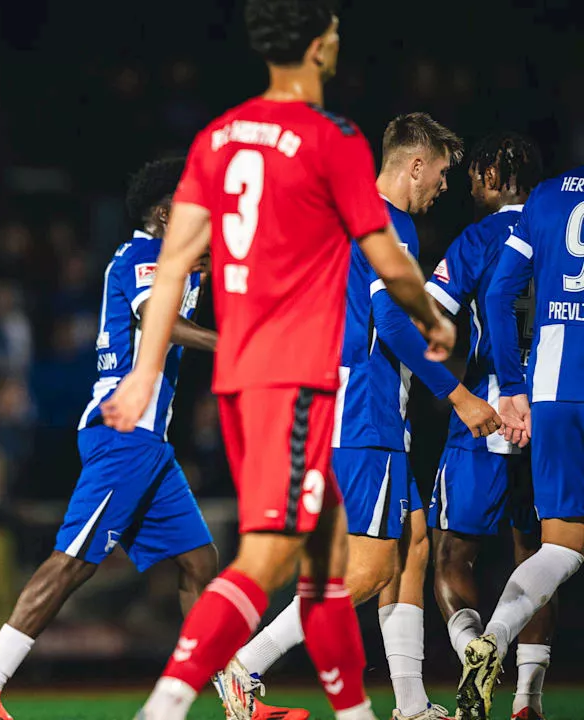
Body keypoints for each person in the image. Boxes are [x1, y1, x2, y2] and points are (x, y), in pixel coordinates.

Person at [99, 1, 456, 718]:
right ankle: (180, 701)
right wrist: (430, 320)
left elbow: (173, 267)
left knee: (331, 559)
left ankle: (373, 709)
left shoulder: (217, 139)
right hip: (304, 378)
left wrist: (144, 373)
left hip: (243, 378)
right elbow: (385, 255)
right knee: (290, 561)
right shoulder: (332, 140)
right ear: (321, 47)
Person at [218, 112, 482, 720]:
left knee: (414, 543)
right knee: (369, 567)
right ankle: (245, 666)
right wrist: (459, 395)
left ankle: (411, 704)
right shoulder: (389, 225)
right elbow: (390, 323)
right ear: (415, 165)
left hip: (336, 398)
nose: (441, 188)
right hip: (363, 408)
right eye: (440, 175)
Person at [0, 158, 220, 720]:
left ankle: (235, 698)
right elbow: (158, 322)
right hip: (124, 433)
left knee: (198, 561)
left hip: (149, 442)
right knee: (73, 562)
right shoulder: (146, 254)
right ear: (166, 212)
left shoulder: (170, 259)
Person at [423, 132, 555, 720]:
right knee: (541, 554)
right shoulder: (561, 230)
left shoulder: (478, 237)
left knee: (452, 553)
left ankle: (472, 652)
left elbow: (430, 318)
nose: (469, 187)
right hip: (553, 411)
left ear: (497, 174)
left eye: (475, 175)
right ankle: (527, 701)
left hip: (489, 413)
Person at [457, 163, 584, 720]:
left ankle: (495, 638)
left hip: (555, 383)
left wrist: (512, 386)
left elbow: (501, 293)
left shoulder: (548, 196)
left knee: (559, 545)